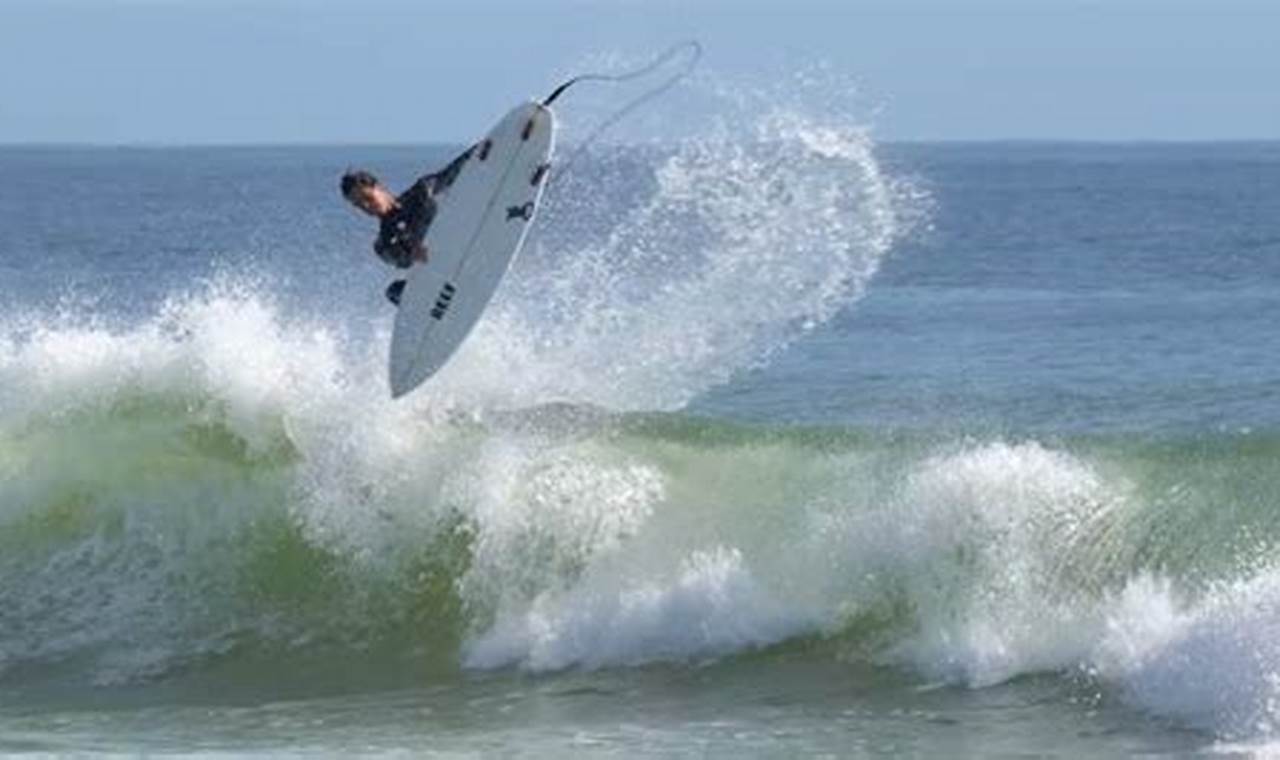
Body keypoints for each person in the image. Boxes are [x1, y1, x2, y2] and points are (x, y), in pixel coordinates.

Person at [340, 146, 474, 305]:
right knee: (394, 291)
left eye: (367, 198)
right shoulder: (383, 243)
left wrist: (483, 148)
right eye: (359, 205)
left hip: (461, 240)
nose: (366, 206)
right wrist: (411, 252)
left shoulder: (421, 192)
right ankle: (431, 318)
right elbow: (403, 262)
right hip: (440, 275)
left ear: (379, 188)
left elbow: (452, 172)